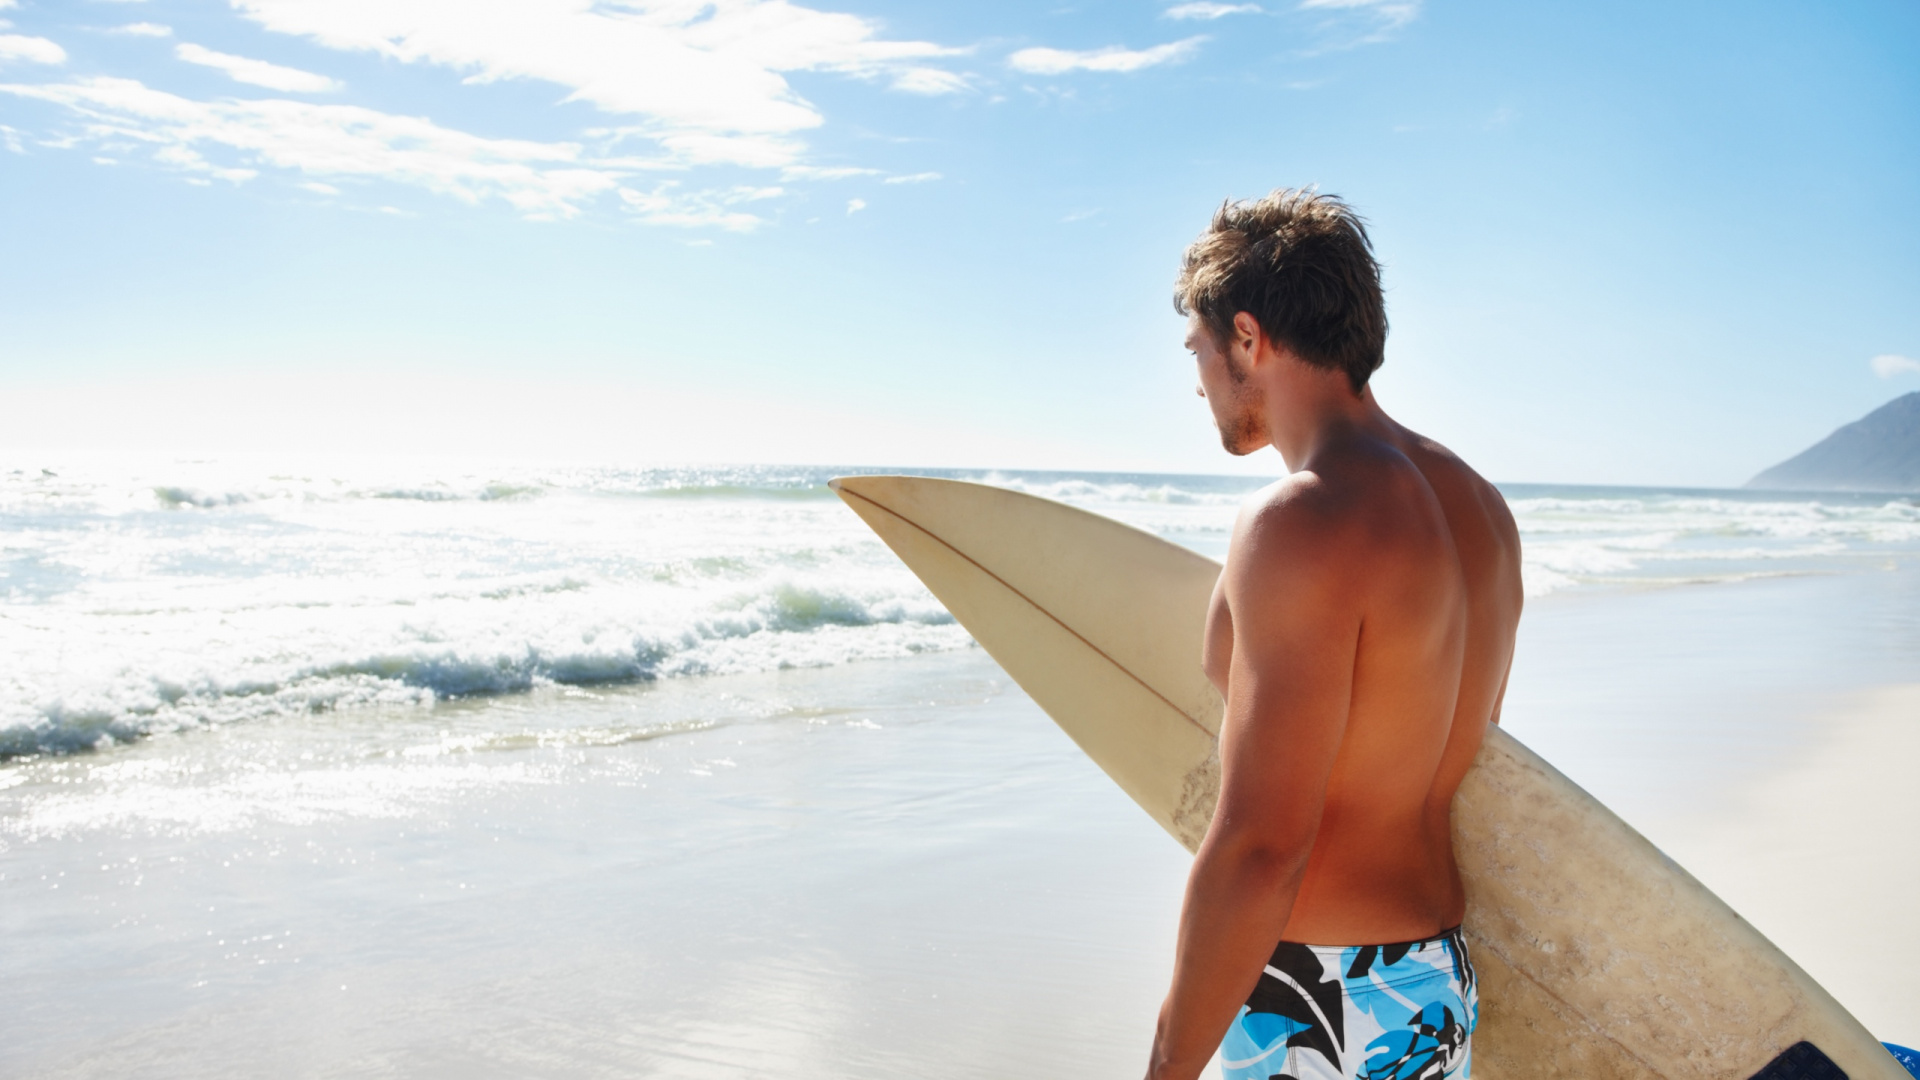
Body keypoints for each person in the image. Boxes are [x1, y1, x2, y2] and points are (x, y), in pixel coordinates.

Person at [1146, 190, 1524, 1080]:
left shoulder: (1302, 522)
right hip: (1434, 986)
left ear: (1248, 337)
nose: (1195, 377)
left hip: (1319, 995)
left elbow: (1261, 845)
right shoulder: (1481, 511)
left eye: (1196, 348)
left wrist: (1166, 1068)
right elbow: (1461, 756)